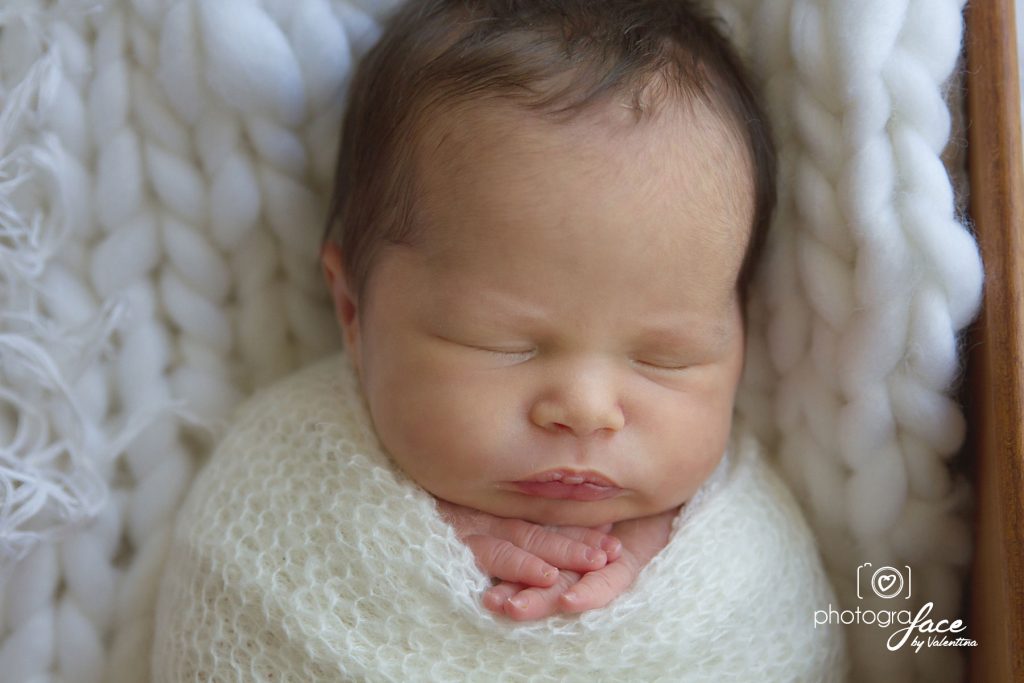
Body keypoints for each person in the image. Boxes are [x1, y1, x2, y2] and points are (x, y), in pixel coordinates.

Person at [153, 1, 846, 679]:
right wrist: (397, 549)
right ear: (353, 310)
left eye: (664, 357)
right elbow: (230, 602)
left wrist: (650, 567)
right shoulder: (285, 487)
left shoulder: (746, 554)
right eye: (503, 344)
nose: (586, 410)